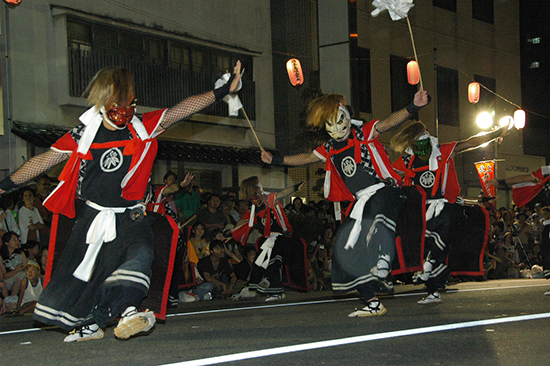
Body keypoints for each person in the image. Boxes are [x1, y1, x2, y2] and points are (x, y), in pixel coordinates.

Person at [0, 61, 242, 341]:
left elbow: (181, 110)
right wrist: (5, 186)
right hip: (93, 219)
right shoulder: (84, 135)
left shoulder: (141, 128)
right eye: (118, 106)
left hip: (131, 215)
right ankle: (92, 323)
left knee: (140, 255)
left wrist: (222, 91)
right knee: (88, 278)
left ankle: (129, 312)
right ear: (103, 102)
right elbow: (42, 161)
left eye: (130, 105)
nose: (125, 113)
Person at [261, 89, 429, 316]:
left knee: (377, 211)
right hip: (360, 203)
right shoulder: (329, 148)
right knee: (344, 251)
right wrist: (276, 159)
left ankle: (383, 261)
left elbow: (389, 122)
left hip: (384, 192)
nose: (337, 131)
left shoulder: (363, 133)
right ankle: (373, 303)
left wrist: (413, 106)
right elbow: (307, 158)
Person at [391, 121, 508, 303]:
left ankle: (432, 276)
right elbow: (387, 173)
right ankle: (431, 283)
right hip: (421, 210)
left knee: (447, 229)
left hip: (444, 204)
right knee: (429, 243)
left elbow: (471, 142)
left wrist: (495, 133)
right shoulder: (408, 159)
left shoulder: (442, 152)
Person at [232, 176, 307, 301]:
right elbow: (242, 222)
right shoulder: (253, 208)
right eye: (257, 184)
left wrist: (294, 188)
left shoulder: (268, 199)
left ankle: (271, 286)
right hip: (269, 239)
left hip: (283, 237)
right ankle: (262, 288)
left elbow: (282, 193)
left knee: (274, 257)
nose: (260, 186)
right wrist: (231, 232)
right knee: (259, 262)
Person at [0, 231, 27, 300]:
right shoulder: (1, 256)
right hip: (7, 281)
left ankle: (13, 298)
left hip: (19, 279)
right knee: (21, 274)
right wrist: (17, 270)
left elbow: (26, 267)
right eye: (14, 240)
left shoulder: (20, 253)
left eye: (18, 239)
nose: (17, 242)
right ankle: (11, 299)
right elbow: (4, 276)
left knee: (23, 275)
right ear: (6, 243)